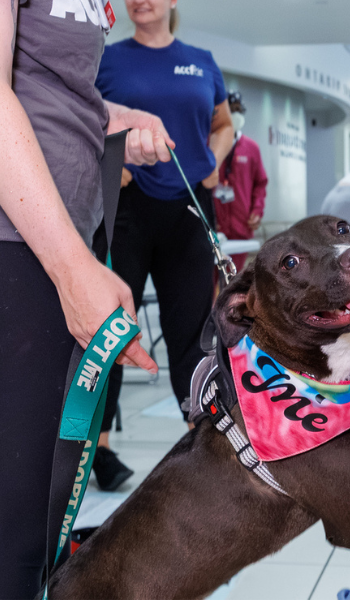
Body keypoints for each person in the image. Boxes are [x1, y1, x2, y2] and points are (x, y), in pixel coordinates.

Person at [0, 1, 173, 596]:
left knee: (40, 517)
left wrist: (111, 116)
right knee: (17, 527)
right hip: (15, 243)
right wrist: (74, 268)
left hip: (50, 240)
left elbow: (45, 85)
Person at [93, 0, 233, 488]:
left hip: (189, 211)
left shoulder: (202, 60)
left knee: (193, 331)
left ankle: (202, 434)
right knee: (111, 327)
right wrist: (113, 162)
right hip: (126, 209)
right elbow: (84, 123)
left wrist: (215, 160)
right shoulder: (105, 58)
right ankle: (100, 449)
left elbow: (223, 125)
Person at [215, 90, 268, 272]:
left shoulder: (251, 148)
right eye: (231, 109)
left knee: (232, 278)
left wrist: (257, 210)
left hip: (241, 227)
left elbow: (260, 184)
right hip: (214, 227)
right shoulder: (210, 144)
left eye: (238, 109)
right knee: (208, 285)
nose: (235, 114)